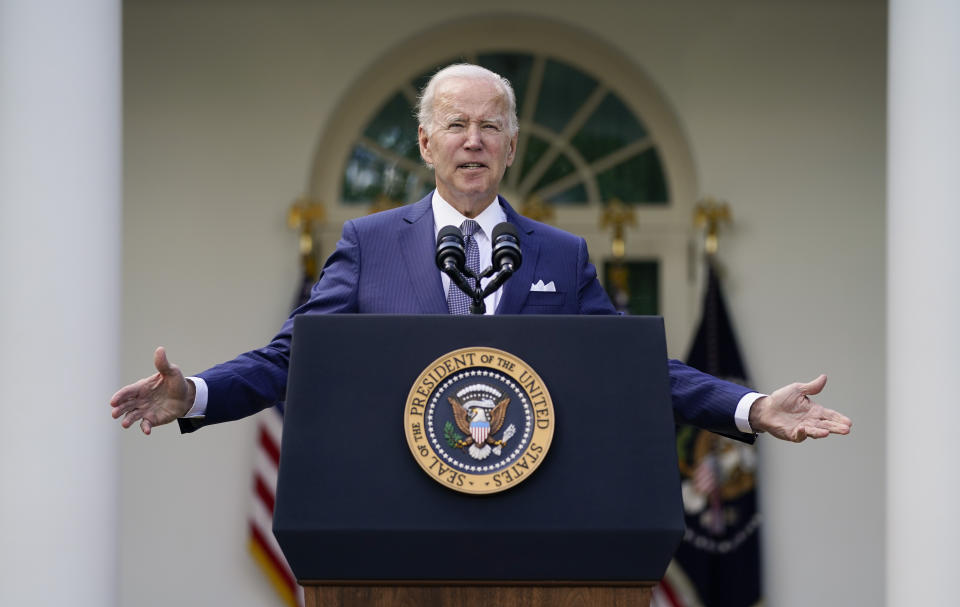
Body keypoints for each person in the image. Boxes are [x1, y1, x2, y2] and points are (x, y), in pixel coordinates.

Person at [110, 63, 851, 444]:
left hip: (529, 524)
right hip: (396, 520)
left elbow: (636, 368)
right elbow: (290, 358)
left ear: (511, 148)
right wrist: (195, 394)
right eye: (455, 124)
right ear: (426, 144)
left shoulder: (559, 255)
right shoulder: (370, 247)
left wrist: (750, 407)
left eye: (490, 126)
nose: (474, 139)